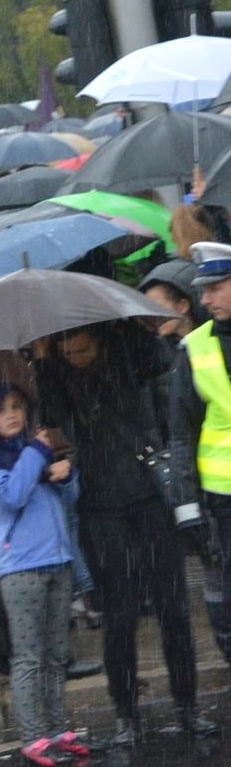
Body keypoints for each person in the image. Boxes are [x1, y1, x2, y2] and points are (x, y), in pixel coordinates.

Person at [38, 323, 215, 743]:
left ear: (99, 339)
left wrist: (138, 332)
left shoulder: (131, 357)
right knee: (119, 616)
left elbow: (158, 363)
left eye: (83, 350)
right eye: (69, 353)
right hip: (101, 508)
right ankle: (126, 714)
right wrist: (46, 362)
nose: (76, 358)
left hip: (149, 498)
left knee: (173, 608)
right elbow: (50, 415)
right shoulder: (59, 376)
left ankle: (187, 705)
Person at [0, 384, 90, 767]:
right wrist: (38, 454)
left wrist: (66, 476)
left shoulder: (30, 452)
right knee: (29, 656)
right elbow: (12, 496)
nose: (11, 414)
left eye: (16, 406)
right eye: (1, 410)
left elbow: (67, 500)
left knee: (56, 655)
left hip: (58, 560)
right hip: (21, 568)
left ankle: (56, 728)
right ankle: (32, 734)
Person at [166, 246, 231, 666]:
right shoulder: (194, 348)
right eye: (203, 290)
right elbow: (181, 434)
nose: (205, 299)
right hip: (224, 498)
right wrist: (186, 505)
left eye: (216, 288)